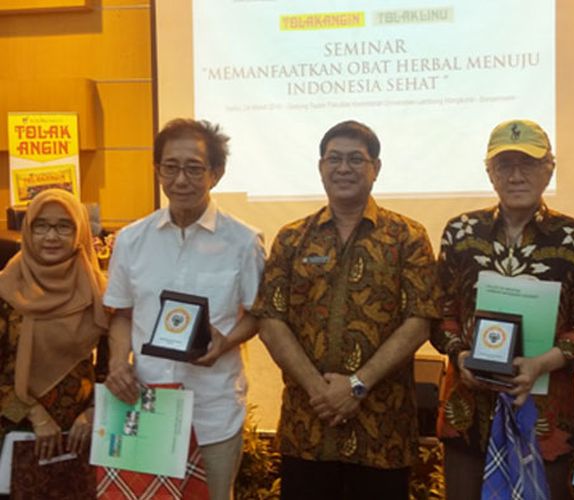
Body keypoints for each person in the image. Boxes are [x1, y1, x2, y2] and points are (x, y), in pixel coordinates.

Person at [251, 120, 440, 500]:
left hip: (382, 430)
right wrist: (319, 390)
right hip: (308, 426)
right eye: (334, 159)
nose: (344, 168)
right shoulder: (292, 237)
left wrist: (356, 385)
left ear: (376, 168)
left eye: (356, 159)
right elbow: (271, 321)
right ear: (321, 167)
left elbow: (419, 321)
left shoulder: (407, 236)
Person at [430, 120, 574, 500]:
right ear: (489, 173)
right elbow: (440, 310)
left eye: (528, 164)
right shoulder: (461, 232)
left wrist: (542, 363)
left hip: (545, 417)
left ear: (550, 169)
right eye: (504, 165)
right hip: (468, 413)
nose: (516, 176)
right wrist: (460, 356)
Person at [103, 119, 265, 500]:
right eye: (170, 167)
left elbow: (258, 315)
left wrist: (226, 343)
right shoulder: (131, 240)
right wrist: (117, 363)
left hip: (213, 408)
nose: (180, 180)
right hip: (145, 402)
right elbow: (121, 314)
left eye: (194, 168)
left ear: (216, 173)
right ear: (157, 170)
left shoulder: (243, 242)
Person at [0, 189, 108, 461]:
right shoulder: (5, 290)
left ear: (80, 231)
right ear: (27, 230)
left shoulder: (99, 292)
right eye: (41, 226)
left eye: (64, 226)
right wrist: (36, 416)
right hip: (12, 431)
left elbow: (110, 369)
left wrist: (95, 411)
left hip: (81, 437)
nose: (51, 236)